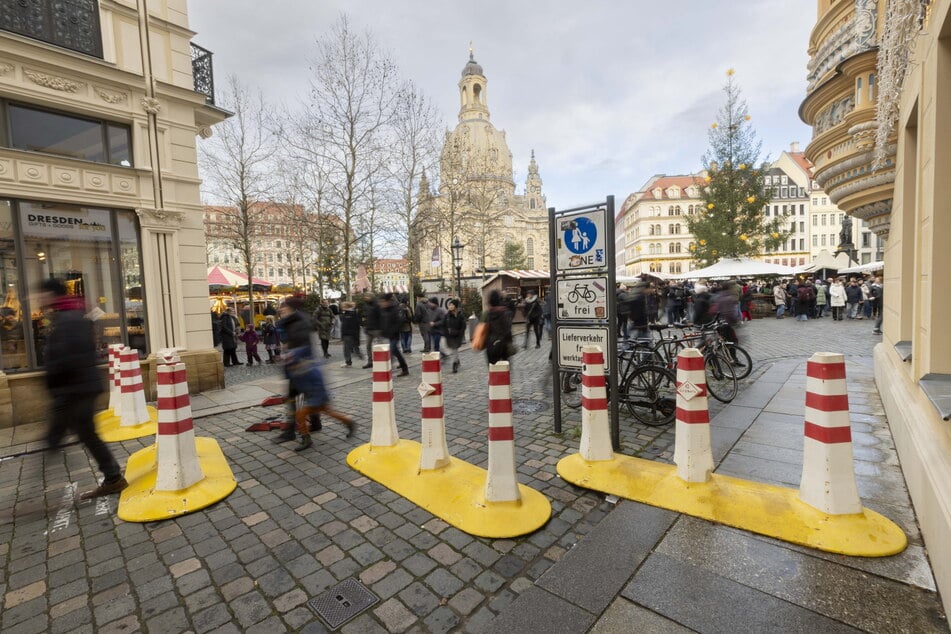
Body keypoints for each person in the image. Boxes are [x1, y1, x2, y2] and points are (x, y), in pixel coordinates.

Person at [40, 279, 127, 499]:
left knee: (77, 434)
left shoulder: (68, 318)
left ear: (51, 295)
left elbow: (69, 356)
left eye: (41, 295)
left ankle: (113, 477)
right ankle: (113, 477)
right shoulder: (68, 315)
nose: (39, 299)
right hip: (75, 387)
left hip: (75, 389)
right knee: (85, 434)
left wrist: (57, 384)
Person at [275, 297, 354, 450]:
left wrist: (291, 356)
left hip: (306, 375)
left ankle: (305, 438)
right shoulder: (292, 322)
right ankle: (346, 423)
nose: (281, 310)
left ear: (290, 308)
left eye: (283, 307)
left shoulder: (300, 323)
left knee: (303, 411)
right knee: (324, 410)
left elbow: (304, 347)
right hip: (301, 374)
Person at [378, 293, 410, 377]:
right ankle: (404, 368)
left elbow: (400, 321)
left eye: (383, 302)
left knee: (391, 351)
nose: (381, 303)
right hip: (387, 335)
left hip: (394, 335)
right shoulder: (383, 310)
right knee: (396, 352)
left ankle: (387, 371)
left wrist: (393, 330)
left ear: (388, 302)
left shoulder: (395, 309)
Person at [483, 290, 514, 365]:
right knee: (504, 370)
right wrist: (510, 342)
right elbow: (508, 331)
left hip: (490, 345)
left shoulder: (486, 314)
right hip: (503, 346)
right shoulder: (505, 312)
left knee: (493, 370)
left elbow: (484, 331)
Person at [442, 299, 467, 373]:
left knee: (454, 349)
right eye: (450, 305)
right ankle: (457, 360)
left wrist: (460, 334)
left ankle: (454, 365)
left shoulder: (460, 315)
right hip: (449, 336)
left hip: (457, 336)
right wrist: (445, 332)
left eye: (452, 305)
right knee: (450, 349)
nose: (450, 306)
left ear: (455, 306)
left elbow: (463, 326)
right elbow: (443, 325)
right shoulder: (447, 315)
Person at [338, 301, 362, 367]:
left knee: (347, 349)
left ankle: (348, 362)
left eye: (343, 306)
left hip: (349, 333)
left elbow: (354, 325)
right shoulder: (347, 313)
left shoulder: (351, 313)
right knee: (352, 347)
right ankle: (359, 356)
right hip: (347, 333)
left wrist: (355, 334)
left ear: (346, 307)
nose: (342, 308)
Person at [361, 293, 381, 369]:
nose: (366, 298)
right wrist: (364, 325)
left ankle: (381, 360)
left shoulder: (377, 304)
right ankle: (370, 361)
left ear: (372, 297)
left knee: (380, 345)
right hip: (369, 329)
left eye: (367, 296)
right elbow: (365, 316)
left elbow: (381, 316)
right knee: (368, 346)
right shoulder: (366, 305)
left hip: (377, 328)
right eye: (365, 296)